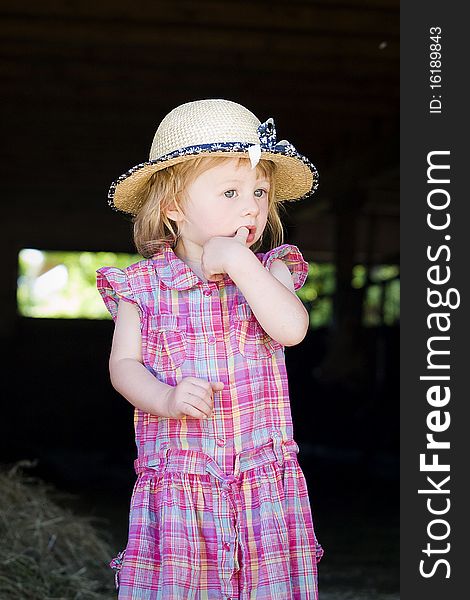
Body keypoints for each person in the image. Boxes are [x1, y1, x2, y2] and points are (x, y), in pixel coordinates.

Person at [96, 98, 324, 599]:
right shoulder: (141, 287)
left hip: (262, 483)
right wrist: (166, 399)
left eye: (260, 193)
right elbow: (123, 366)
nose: (251, 207)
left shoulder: (272, 269)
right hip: (182, 482)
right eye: (230, 191)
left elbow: (292, 329)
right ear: (173, 207)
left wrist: (242, 265)